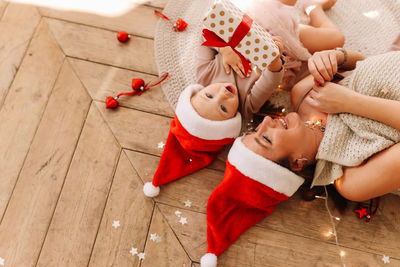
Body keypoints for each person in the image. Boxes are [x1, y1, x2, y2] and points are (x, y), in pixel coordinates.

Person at [200, 45, 400, 267]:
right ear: (296, 163)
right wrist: (349, 103)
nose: (266, 122)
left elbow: (361, 59)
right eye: (266, 139)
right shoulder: (352, 180)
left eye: (256, 131)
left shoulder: (301, 94)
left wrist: (335, 56)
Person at [144, 0, 345, 197]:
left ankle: (300, 10)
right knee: (336, 39)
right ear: (232, 120)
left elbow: (205, 32)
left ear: (198, 91)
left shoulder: (204, 73)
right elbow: (270, 80)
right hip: (282, 49)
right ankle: (314, 8)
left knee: (279, 6)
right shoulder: (248, 104)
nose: (222, 94)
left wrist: (224, 49)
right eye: (223, 108)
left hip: (250, 28)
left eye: (209, 95)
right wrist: (275, 61)